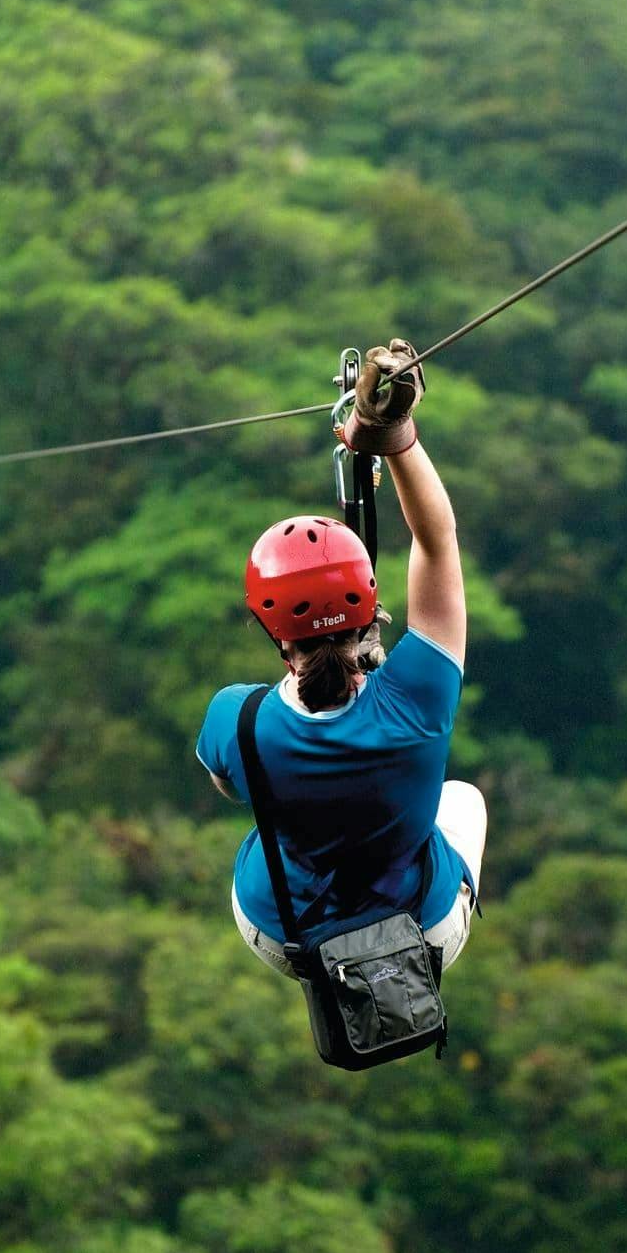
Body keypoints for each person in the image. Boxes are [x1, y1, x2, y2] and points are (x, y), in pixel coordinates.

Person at [195, 339, 485, 976]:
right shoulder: (418, 693)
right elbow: (437, 544)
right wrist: (397, 437)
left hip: (291, 938)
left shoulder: (237, 720)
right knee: (461, 799)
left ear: (270, 627)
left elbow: (225, 784)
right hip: (419, 931)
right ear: (369, 609)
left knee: (267, 830)